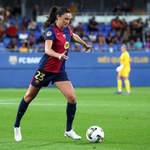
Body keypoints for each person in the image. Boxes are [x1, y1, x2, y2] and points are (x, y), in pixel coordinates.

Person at [14, 6, 92, 142]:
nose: (67, 21)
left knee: (72, 98)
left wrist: (84, 44)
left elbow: (73, 36)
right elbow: (47, 50)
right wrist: (58, 55)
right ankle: (17, 126)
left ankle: (68, 130)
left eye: (69, 19)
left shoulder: (67, 29)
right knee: (28, 97)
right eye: (65, 19)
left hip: (59, 72)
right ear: (58, 17)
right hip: (45, 71)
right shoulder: (51, 31)